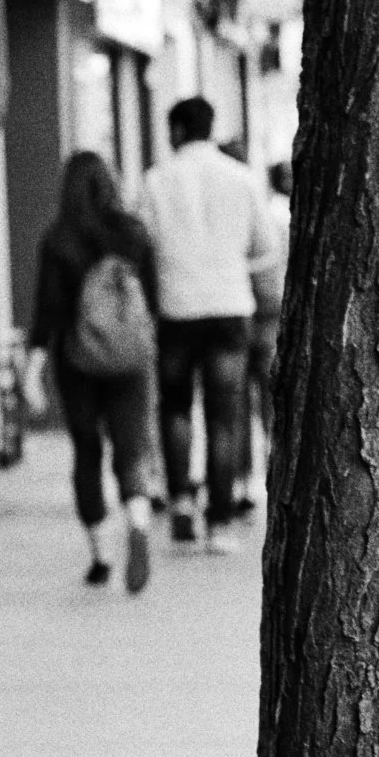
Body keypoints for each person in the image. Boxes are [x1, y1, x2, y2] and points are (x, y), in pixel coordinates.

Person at [139, 96, 283, 553]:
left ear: (178, 130)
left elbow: (144, 244)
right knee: (225, 415)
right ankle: (220, 522)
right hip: (228, 308)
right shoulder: (242, 179)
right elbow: (265, 248)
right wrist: (233, 262)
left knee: (177, 406)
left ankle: (181, 499)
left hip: (176, 308)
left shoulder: (156, 180)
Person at [28, 152, 161, 591]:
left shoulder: (58, 239)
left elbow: (48, 311)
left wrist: (34, 367)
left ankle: (101, 556)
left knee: (87, 451)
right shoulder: (134, 234)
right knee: (132, 446)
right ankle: (138, 523)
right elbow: (154, 300)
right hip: (131, 361)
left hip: (78, 361)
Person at [238, 160, 291, 511]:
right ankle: (275, 465)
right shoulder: (285, 215)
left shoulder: (262, 211)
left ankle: (243, 481)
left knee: (238, 402)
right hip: (274, 311)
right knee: (272, 396)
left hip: (244, 310)